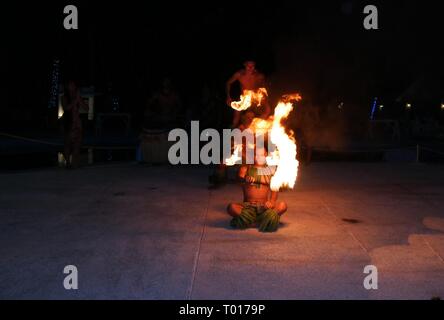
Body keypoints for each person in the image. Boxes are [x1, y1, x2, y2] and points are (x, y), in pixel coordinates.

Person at [227, 146, 287, 232]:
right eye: (256, 155)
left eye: (262, 155)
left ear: (266, 156)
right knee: (231, 207)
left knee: (282, 206)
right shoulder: (245, 169)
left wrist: (271, 202)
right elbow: (239, 180)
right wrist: (245, 180)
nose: (259, 158)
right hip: (248, 206)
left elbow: (275, 189)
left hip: (264, 207)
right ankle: (262, 221)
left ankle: (252, 222)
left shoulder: (270, 171)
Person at [226, 60, 271, 128]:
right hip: (244, 97)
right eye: (248, 66)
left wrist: (263, 97)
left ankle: (254, 127)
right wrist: (228, 97)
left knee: (267, 110)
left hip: (255, 97)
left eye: (252, 66)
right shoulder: (239, 74)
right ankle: (229, 133)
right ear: (244, 65)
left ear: (255, 66)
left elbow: (264, 87)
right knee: (235, 119)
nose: (250, 68)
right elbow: (228, 83)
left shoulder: (259, 75)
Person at [61, 80, 88, 169]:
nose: (72, 86)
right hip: (69, 122)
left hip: (77, 122)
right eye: (70, 85)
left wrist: (79, 100)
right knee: (67, 143)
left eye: (73, 85)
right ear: (67, 87)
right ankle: (68, 162)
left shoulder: (77, 96)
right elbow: (66, 108)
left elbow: (86, 108)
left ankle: (74, 163)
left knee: (77, 143)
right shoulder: (64, 97)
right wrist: (75, 100)